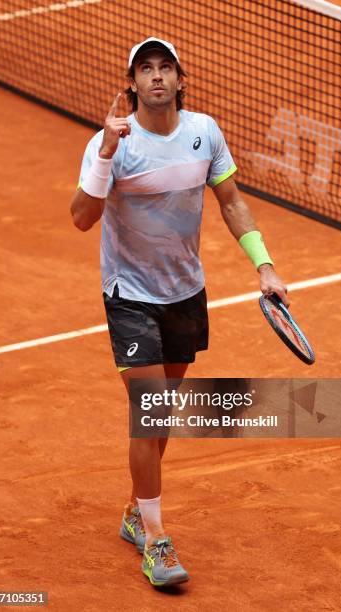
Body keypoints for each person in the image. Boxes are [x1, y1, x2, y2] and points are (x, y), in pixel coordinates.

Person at [70, 37, 288, 588]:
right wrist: (103, 156)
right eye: (147, 70)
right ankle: (157, 541)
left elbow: (232, 201)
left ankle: (134, 513)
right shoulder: (112, 142)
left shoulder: (204, 133)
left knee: (162, 414)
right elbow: (80, 218)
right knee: (149, 412)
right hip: (129, 295)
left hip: (185, 294)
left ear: (180, 79)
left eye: (166, 68)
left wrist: (264, 266)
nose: (157, 78)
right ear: (133, 83)